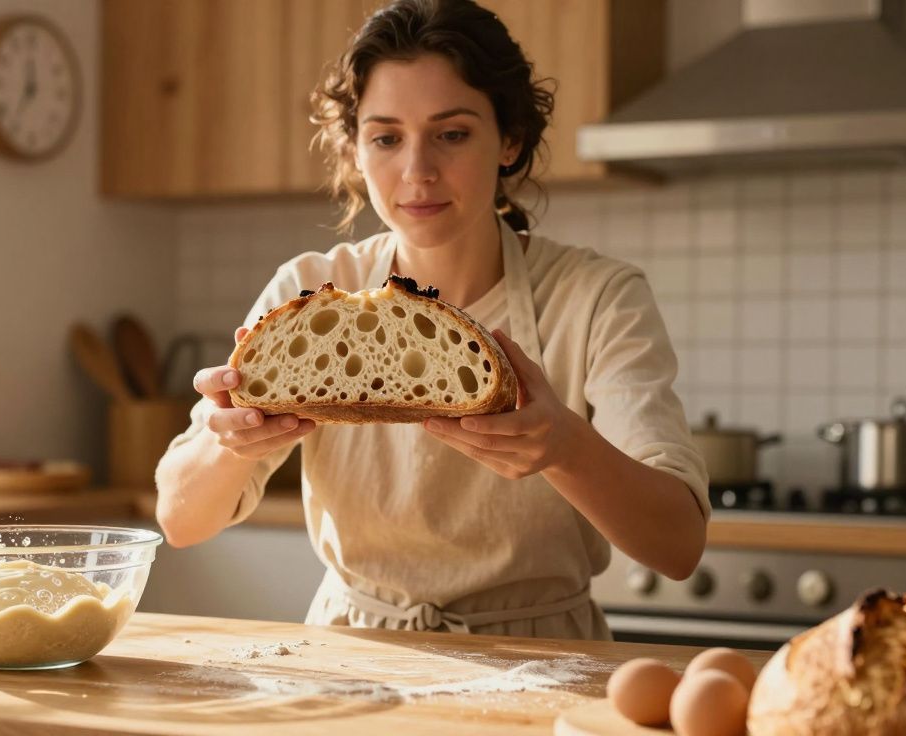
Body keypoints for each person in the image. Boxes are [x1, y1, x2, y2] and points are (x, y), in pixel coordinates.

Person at [153, 0, 708, 640]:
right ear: (355, 150)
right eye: (386, 138)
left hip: (544, 652)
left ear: (509, 140)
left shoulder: (597, 297)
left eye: (452, 134)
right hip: (353, 651)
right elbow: (179, 520)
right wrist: (229, 440)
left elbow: (678, 546)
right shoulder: (308, 294)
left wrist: (566, 447)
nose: (417, 171)